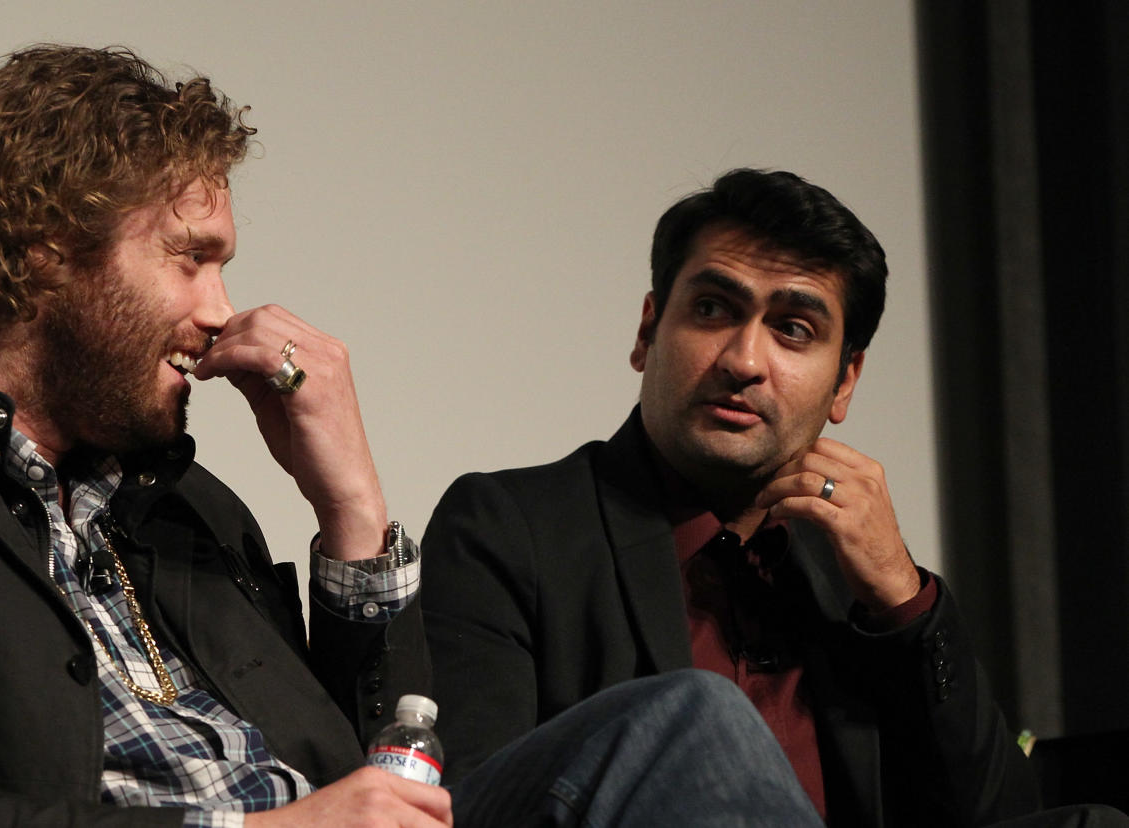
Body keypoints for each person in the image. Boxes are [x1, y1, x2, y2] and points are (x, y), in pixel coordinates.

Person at [0, 46, 839, 827]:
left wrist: (350, 506)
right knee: (698, 720)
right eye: (191, 260)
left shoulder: (181, 509)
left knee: (676, 726)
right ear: (46, 245)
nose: (222, 311)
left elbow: (392, 765)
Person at [420, 169, 1063, 827]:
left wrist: (904, 602)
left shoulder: (854, 585)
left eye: (793, 328)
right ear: (647, 332)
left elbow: (1001, 818)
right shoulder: (508, 528)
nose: (744, 359)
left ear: (845, 382)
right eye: (712, 309)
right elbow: (469, 805)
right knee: (704, 716)